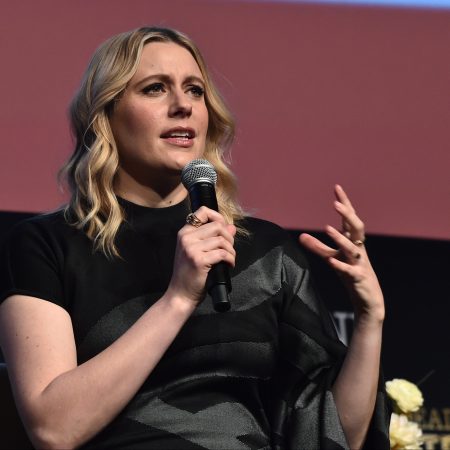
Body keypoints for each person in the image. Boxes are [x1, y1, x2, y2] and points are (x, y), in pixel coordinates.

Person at [0, 26, 389, 449]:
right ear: (106, 115)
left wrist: (370, 321)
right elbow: (53, 428)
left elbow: (334, 436)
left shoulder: (265, 254)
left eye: (195, 90)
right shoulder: (46, 245)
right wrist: (178, 299)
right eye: (155, 89)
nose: (182, 105)